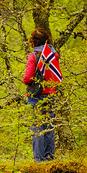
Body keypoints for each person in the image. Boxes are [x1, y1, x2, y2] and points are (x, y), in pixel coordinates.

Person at [23, 28, 60, 162]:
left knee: (37, 128)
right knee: (49, 127)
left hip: (36, 96)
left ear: (34, 41)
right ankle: (50, 159)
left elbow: (27, 78)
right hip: (50, 95)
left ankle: (38, 161)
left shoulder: (34, 56)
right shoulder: (53, 55)